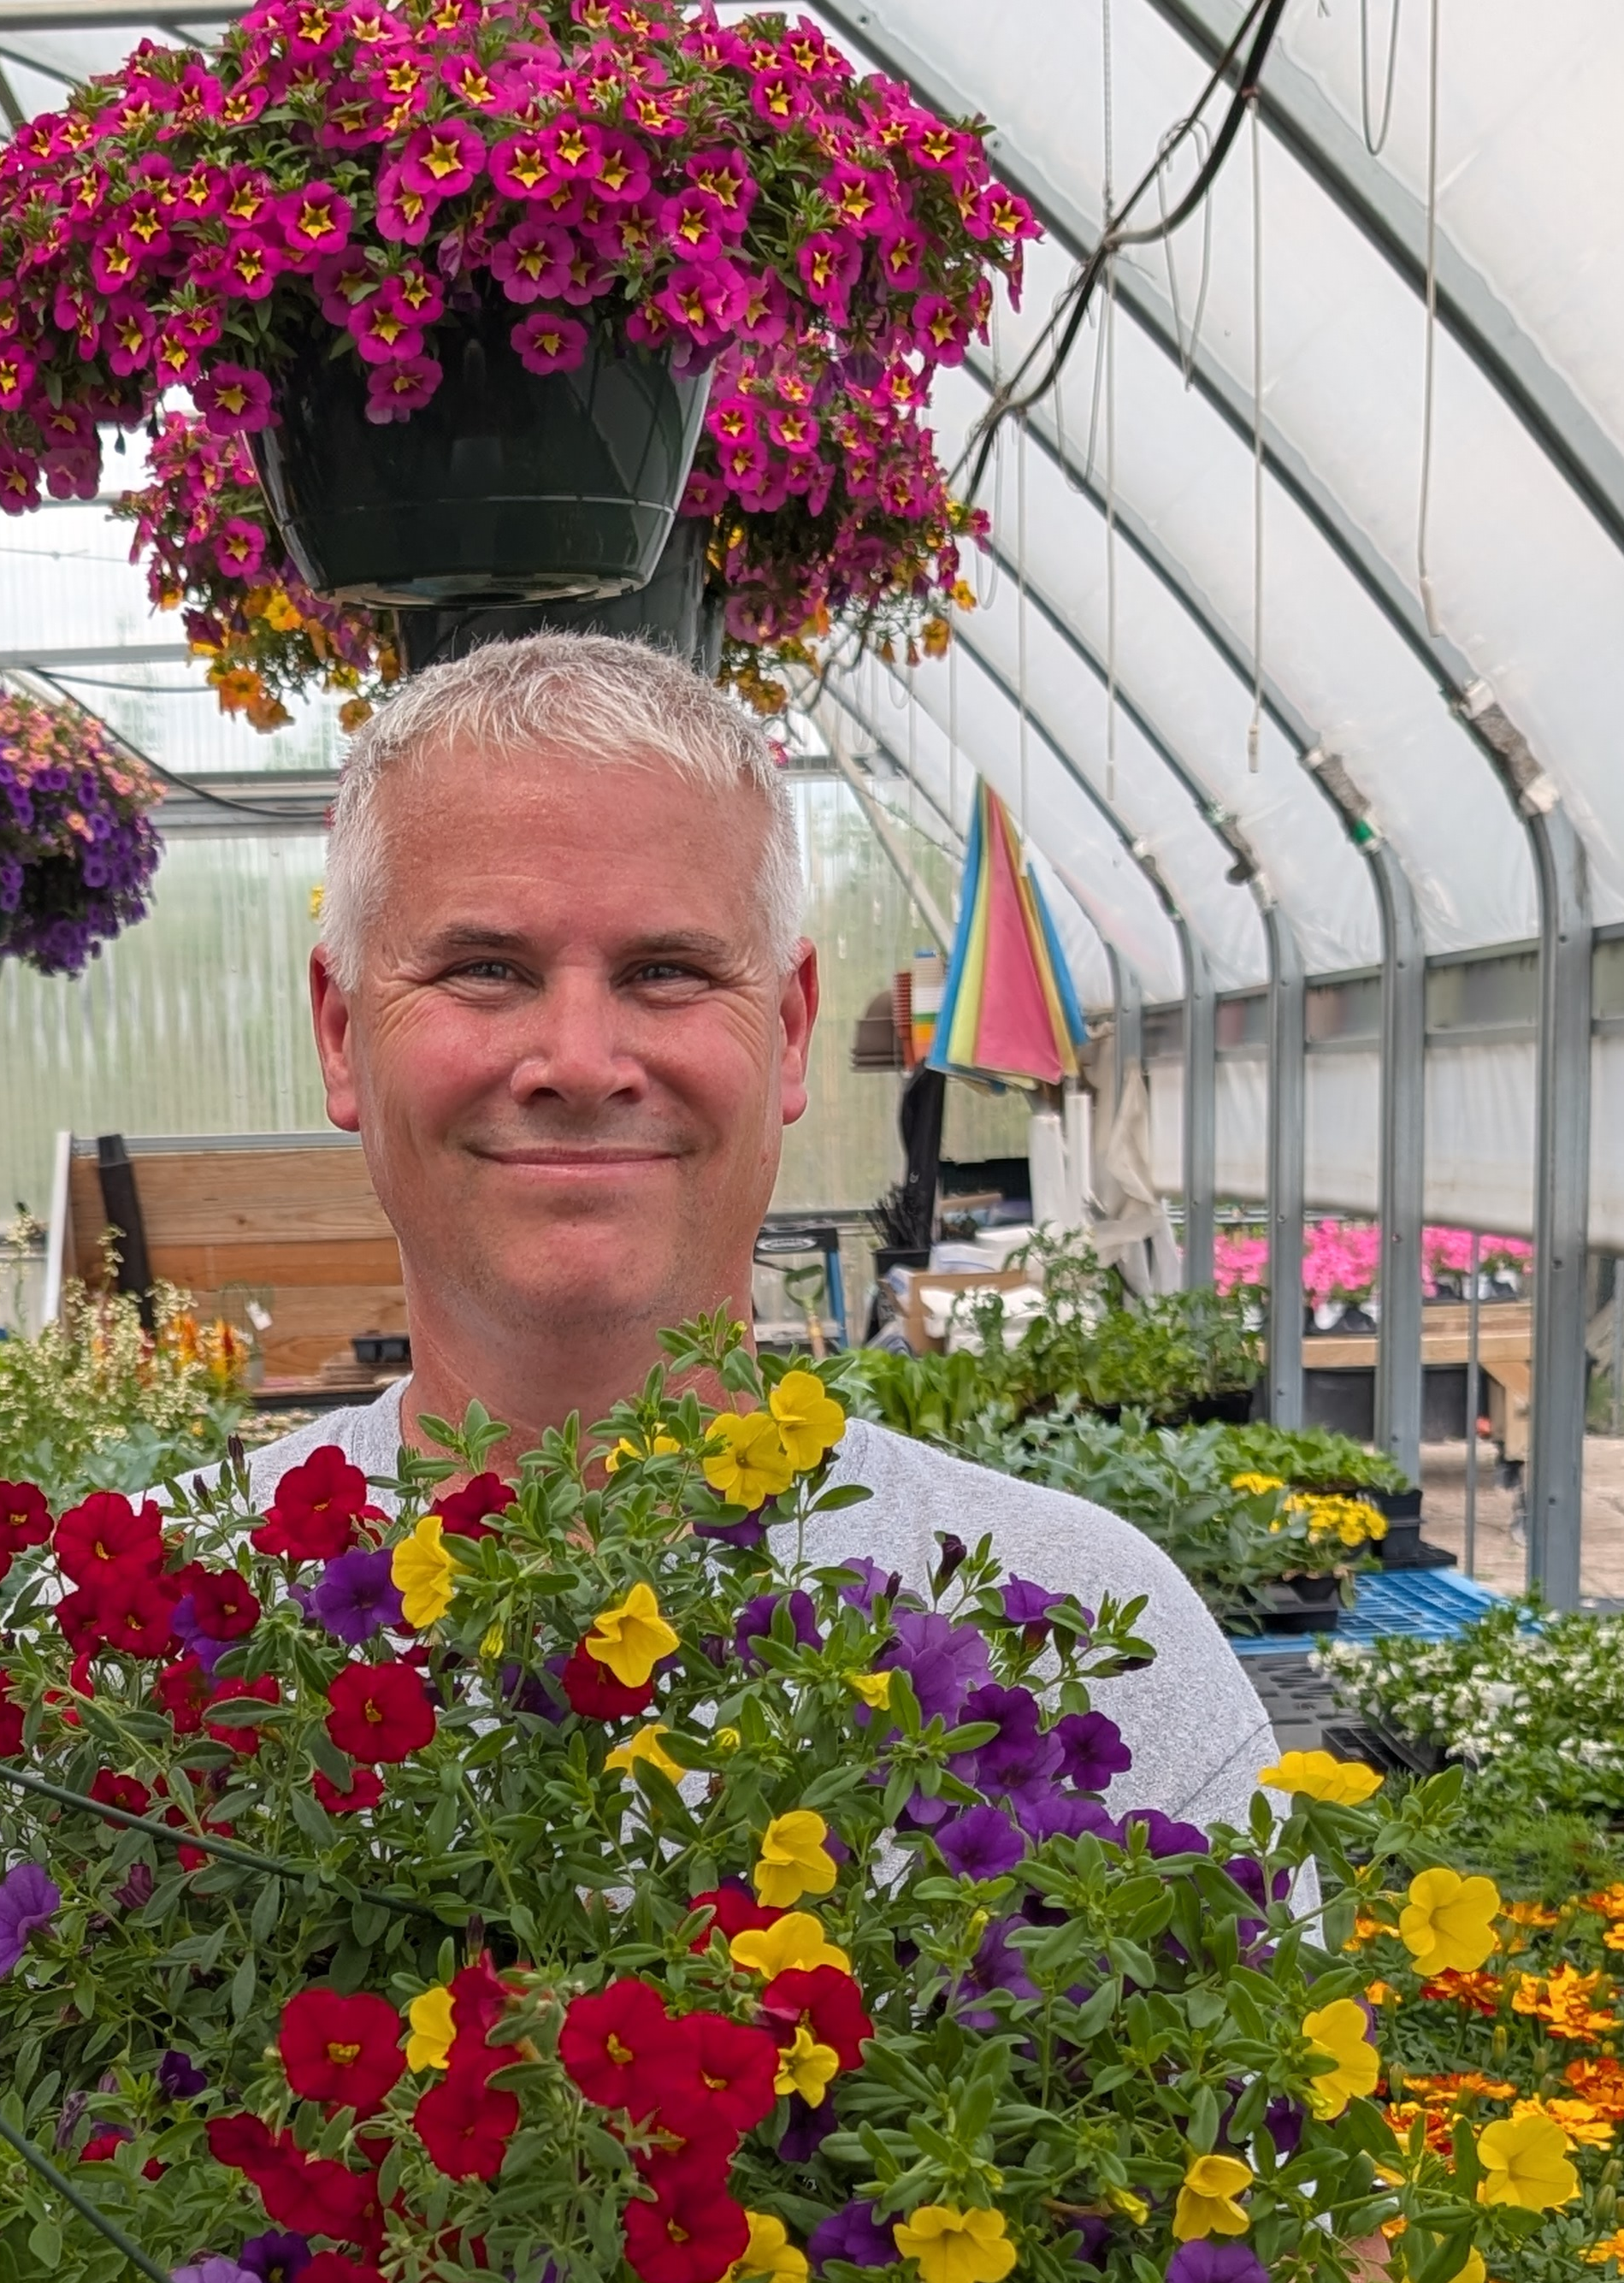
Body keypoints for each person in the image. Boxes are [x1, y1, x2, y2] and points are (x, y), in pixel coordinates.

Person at [249, 631, 1273, 1828]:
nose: (580, 1063)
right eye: (483, 968)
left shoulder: (1091, 1644)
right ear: (340, 1033)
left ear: (788, 1032)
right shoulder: (122, 1642)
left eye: (669, 972)